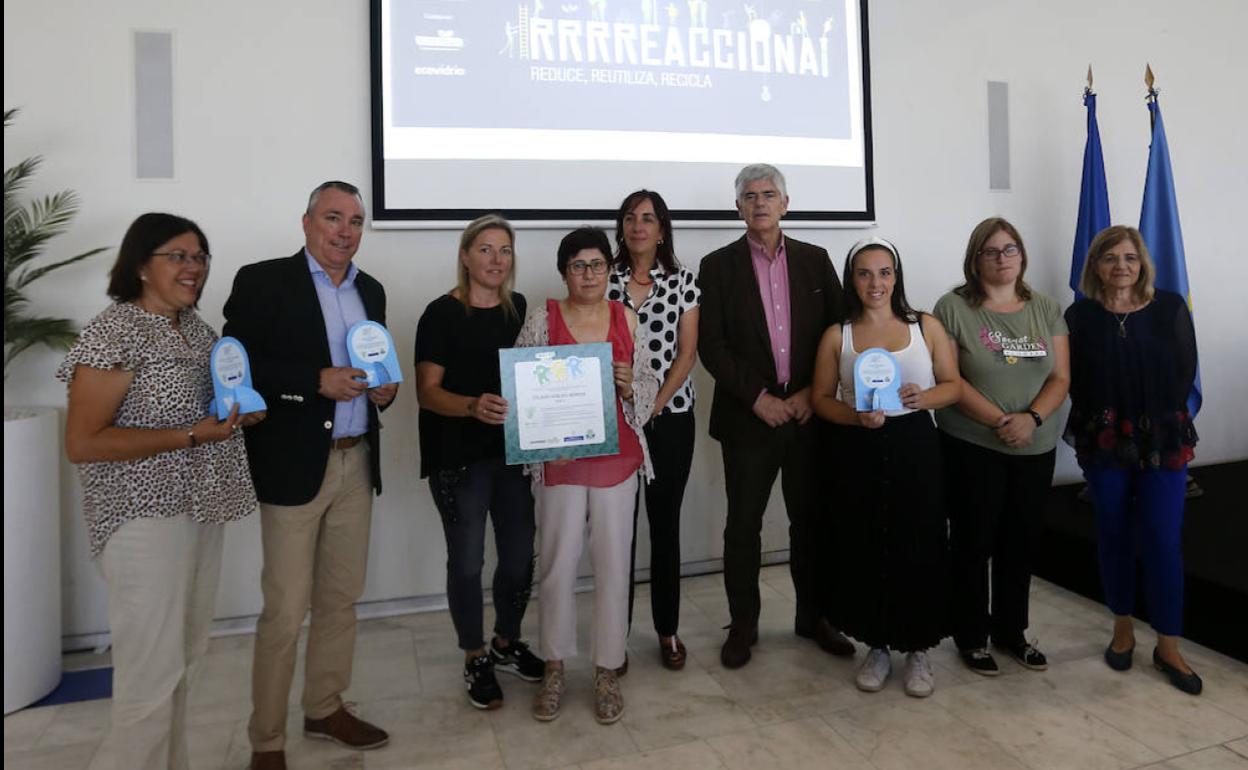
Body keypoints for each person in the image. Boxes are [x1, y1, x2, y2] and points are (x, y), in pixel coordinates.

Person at [59, 212, 262, 770]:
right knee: (149, 676)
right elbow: (82, 442)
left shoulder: (195, 329)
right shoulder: (115, 331)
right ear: (141, 265)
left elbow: (209, 408)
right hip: (143, 518)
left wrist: (236, 415)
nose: (193, 267)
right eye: (177, 256)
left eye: (199, 257)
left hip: (200, 508)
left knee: (184, 662)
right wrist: (190, 434)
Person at [223, 181, 400, 770]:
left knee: (340, 599)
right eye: (333, 218)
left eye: (355, 221)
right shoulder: (263, 280)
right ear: (306, 223)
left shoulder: (370, 289)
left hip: (356, 460)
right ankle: (266, 740)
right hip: (294, 466)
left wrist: (386, 391)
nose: (345, 231)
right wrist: (313, 381)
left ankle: (324, 707)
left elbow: (379, 368)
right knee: (284, 609)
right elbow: (237, 365)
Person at [697, 163, 851, 669]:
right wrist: (758, 398)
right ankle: (743, 624)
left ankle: (815, 617)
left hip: (808, 415)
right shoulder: (717, 266)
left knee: (812, 521)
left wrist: (812, 392)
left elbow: (839, 332)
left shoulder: (815, 260)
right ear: (737, 208)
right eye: (749, 195)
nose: (759, 202)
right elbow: (712, 346)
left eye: (768, 194)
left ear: (785, 204)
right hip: (749, 418)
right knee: (743, 526)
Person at [516, 227, 658, 724]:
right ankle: (554, 667)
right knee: (556, 565)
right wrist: (540, 440)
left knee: (614, 566)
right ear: (564, 273)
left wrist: (631, 384)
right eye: (578, 266)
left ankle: (606, 668)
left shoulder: (627, 317)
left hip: (617, 461)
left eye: (598, 265)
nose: (589, 274)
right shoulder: (542, 319)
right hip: (560, 464)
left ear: (609, 271)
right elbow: (520, 390)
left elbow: (649, 384)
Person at [811, 237, 960, 698]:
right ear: (851, 279)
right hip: (859, 449)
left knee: (920, 542)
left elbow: (953, 386)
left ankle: (918, 649)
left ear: (896, 277)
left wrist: (924, 397)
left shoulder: (925, 326)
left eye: (884, 272)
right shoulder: (837, 335)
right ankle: (876, 645)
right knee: (866, 543)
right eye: (864, 273)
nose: (875, 283)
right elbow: (820, 399)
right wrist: (854, 417)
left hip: (915, 445)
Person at [414, 214, 544, 710]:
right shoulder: (440, 314)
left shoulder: (520, 309)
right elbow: (427, 393)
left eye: (505, 250)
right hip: (459, 459)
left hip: (512, 456)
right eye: (486, 249)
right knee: (467, 562)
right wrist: (471, 405)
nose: (496, 259)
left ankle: (506, 642)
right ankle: (474, 654)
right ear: (465, 256)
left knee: (519, 556)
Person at [1065, 225, 1201, 695]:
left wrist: (1150, 420)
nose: (1121, 266)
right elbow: (1074, 378)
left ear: (1142, 263)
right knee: (1114, 533)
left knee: (1163, 539)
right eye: (1110, 258)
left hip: (1161, 439)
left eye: (1129, 257)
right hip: (1105, 440)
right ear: (1095, 266)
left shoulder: (1170, 307)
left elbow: (1185, 371)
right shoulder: (1080, 316)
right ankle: (1122, 627)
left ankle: (1168, 644)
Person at [933, 217, 1070, 676]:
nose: (1002, 258)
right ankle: (971, 636)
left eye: (1010, 249)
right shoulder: (953, 308)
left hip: (1035, 444)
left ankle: (1012, 632)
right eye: (990, 251)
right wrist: (1001, 422)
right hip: (972, 443)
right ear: (975, 260)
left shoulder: (1046, 308)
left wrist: (1031, 419)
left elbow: (1060, 377)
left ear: (1022, 255)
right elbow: (949, 380)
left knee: (1021, 542)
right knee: (973, 542)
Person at [606, 190, 700, 670]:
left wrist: (654, 404)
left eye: (648, 218)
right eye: (630, 218)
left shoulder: (684, 282)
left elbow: (687, 353)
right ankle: (613, 638)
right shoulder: (603, 279)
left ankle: (667, 630)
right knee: (617, 532)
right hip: (615, 422)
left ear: (662, 229)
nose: (638, 226)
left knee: (665, 527)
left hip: (670, 418)